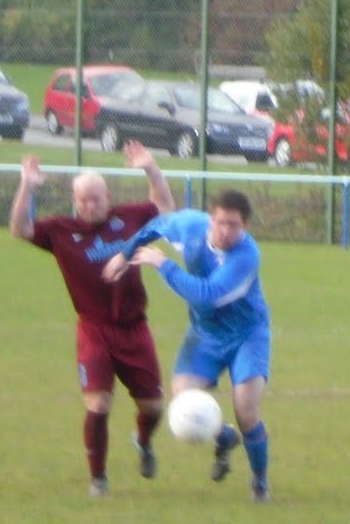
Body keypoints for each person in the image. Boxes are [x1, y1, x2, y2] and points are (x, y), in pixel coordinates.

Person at [9, 140, 175, 498]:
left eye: (95, 198)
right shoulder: (60, 231)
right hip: (94, 330)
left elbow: (165, 207)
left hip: (134, 328)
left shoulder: (129, 218)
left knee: (153, 408)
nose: (88, 205)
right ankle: (98, 478)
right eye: (82, 199)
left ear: (107, 195)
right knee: (98, 405)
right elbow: (19, 228)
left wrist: (151, 167)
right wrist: (27, 184)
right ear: (75, 200)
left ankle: (144, 442)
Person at [104, 189, 273, 503]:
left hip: (247, 336)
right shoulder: (190, 226)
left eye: (234, 225)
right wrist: (125, 254)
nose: (226, 231)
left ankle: (260, 482)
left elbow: (207, 294)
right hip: (205, 334)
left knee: (246, 411)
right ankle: (224, 438)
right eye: (221, 222)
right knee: (183, 397)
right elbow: (154, 227)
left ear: (245, 226)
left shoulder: (247, 256)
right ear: (211, 219)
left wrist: (163, 264)